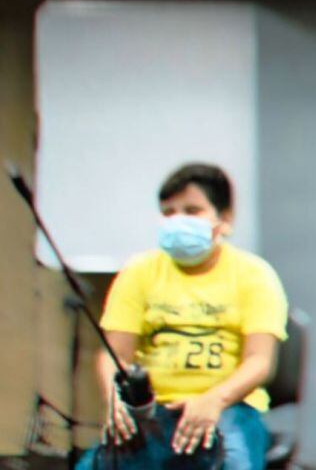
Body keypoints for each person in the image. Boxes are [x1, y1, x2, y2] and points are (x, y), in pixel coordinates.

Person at [78, 163, 288, 470]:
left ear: (225, 219)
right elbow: (114, 354)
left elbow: (259, 361)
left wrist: (213, 400)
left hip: (231, 408)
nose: (178, 221)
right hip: (153, 410)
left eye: (192, 210)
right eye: (168, 212)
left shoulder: (255, 275)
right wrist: (114, 397)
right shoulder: (138, 272)